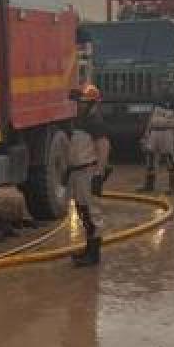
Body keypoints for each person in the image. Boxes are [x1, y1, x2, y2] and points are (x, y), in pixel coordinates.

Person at [65, 83, 110, 267]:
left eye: (82, 102)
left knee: (92, 213)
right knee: (82, 210)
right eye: (78, 102)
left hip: (88, 171)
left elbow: (104, 147)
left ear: (91, 103)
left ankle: (93, 255)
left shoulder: (95, 122)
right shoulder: (80, 120)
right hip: (78, 172)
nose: (79, 105)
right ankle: (88, 249)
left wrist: (99, 173)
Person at [142, 93, 174, 194]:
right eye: (163, 82)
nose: (165, 84)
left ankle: (173, 186)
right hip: (154, 131)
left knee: (169, 158)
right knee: (150, 157)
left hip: (167, 131)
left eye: (167, 82)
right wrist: (147, 131)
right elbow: (152, 115)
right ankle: (149, 185)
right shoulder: (157, 98)